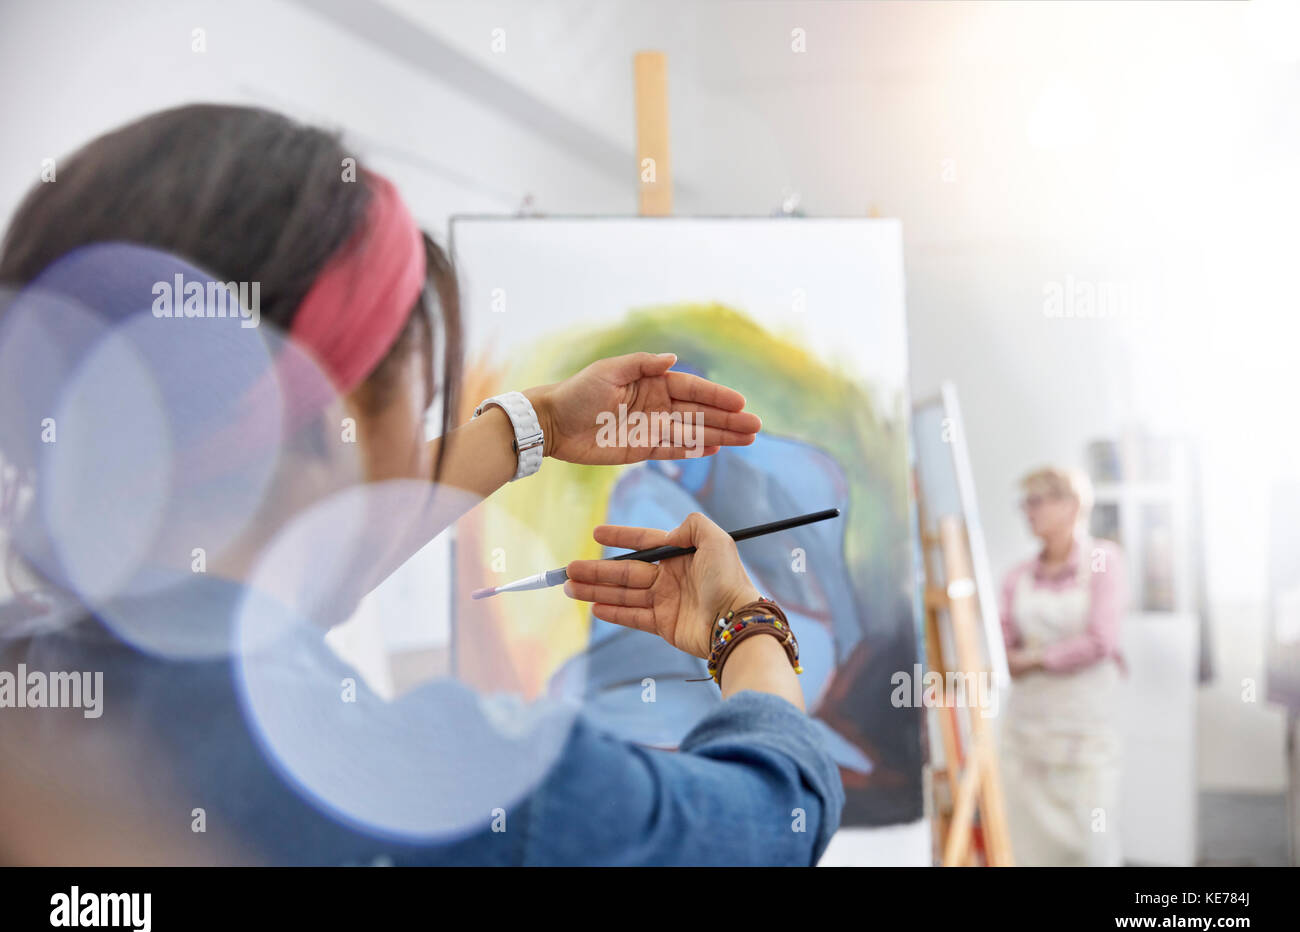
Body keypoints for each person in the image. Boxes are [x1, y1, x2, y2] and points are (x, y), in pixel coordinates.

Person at [0, 104, 843, 865]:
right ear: (326, 430)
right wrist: (744, 622)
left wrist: (537, 424)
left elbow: (257, 587)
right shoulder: (459, 789)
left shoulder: (33, 672)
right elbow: (773, 815)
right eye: (419, 394)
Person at [999, 466, 1127, 866]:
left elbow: (1101, 641)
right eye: (1025, 503)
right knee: (1029, 848)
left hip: (1083, 733)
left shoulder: (1104, 561)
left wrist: (1035, 658)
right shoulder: (1016, 577)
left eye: (1036, 501)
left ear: (1071, 505)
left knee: (1089, 841)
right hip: (1027, 735)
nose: (1028, 512)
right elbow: (999, 645)